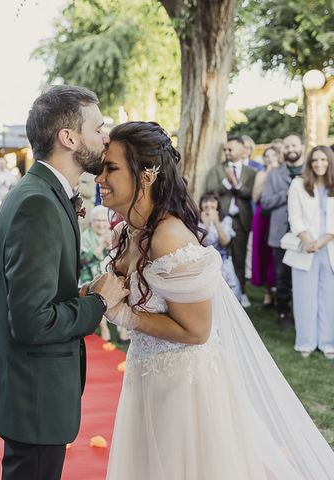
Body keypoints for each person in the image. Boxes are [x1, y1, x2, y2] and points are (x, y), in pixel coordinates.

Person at [94, 121, 334, 479]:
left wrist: (124, 315)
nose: (100, 178)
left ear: (146, 175)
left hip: (184, 390)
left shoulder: (169, 237)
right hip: (147, 376)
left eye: (110, 168)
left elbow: (197, 330)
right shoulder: (130, 230)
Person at [0, 85, 127, 480]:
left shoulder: (41, 193)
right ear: (69, 137)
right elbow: (33, 321)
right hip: (35, 395)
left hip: (31, 390)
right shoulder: (38, 204)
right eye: (99, 128)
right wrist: (98, 302)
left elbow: (35, 295)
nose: (106, 137)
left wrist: (77, 293)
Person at [286, 146, 334, 359]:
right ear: (309, 162)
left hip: (329, 248)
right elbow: (294, 216)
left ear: (330, 161)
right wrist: (308, 241)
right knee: (304, 296)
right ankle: (305, 341)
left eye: (324, 160)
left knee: (329, 298)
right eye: (315, 160)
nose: (319, 164)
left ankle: (327, 342)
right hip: (305, 248)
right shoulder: (298, 184)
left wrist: (323, 241)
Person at [205, 136, 257, 307]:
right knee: (219, 256)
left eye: (230, 149)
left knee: (239, 257)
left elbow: (251, 193)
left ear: (242, 150)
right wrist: (227, 183)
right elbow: (210, 191)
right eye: (225, 150)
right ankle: (219, 294)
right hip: (221, 220)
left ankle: (241, 292)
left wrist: (236, 184)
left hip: (241, 220)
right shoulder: (217, 170)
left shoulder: (251, 172)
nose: (227, 152)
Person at [261, 134, 305, 327]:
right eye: (287, 147)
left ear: (302, 146)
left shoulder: (310, 171)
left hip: (305, 232)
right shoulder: (274, 173)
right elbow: (265, 202)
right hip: (280, 233)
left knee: (303, 274)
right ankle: (283, 312)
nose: (291, 149)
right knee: (283, 275)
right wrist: (285, 195)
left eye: (294, 145)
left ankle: (303, 311)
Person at [250, 145, 281, 307]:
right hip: (263, 216)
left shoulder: (284, 172)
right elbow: (255, 198)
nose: (270, 158)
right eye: (267, 156)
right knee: (263, 253)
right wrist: (266, 178)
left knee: (276, 255)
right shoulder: (261, 173)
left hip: (280, 215)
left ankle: (280, 289)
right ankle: (267, 293)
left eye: (273, 155)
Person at [199, 192, 242, 299]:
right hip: (204, 264)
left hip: (223, 263)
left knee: (228, 294)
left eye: (212, 201)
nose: (208, 204)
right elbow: (199, 243)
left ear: (218, 203)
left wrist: (217, 222)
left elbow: (225, 242)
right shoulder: (197, 221)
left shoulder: (226, 220)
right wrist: (207, 225)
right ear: (201, 204)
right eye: (205, 201)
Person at [80, 204, 114, 341]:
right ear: (92, 222)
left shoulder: (114, 234)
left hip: (109, 273)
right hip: (89, 275)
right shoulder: (85, 236)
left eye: (104, 221)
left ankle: (123, 330)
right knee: (97, 291)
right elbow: (83, 261)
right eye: (97, 221)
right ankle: (104, 327)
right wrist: (100, 246)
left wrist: (111, 246)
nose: (100, 224)